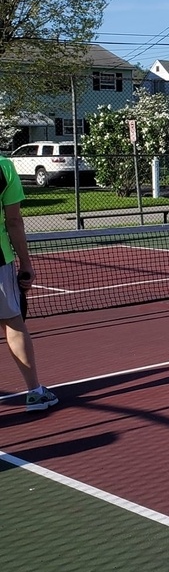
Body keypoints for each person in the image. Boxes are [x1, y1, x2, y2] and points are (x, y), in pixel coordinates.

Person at [0, 155, 58, 411]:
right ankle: (34, 392)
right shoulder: (3, 166)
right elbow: (13, 220)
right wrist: (26, 264)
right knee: (13, 322)